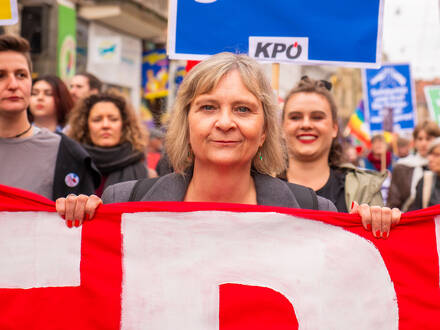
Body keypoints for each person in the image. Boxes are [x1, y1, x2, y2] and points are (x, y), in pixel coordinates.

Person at [57, 53, 399, 238]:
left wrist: (376, 231)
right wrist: (74, 223)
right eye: (208, 107)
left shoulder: (318, 213)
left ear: (264, 130)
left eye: (243, 109)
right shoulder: (123, 203)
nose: (224, 122)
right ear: (185, 123)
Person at [281, 76, 400, 237]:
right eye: (295, 117)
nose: (306, 124)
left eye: (317, 117)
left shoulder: (364, 189)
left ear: (334, 128)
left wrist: (381, 224)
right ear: (282, 127)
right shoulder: (256, 185)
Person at [0, 34, 100, 200]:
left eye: (21, 75)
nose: (13, 85)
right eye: (0, 75)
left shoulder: (66, 152)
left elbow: (83, 224)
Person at [67, 92, 155, 196]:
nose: (105, 125)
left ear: (124, 124)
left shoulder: (146, 174)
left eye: (113, 119)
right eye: (97, 120)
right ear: (85, 126)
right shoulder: (70, 165)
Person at [388, 120, 440, 211]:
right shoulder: (402, 166)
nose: (423, 143)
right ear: (414, 141)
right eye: (420, 139)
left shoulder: (436, 168)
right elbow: (393, 203)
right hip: (408, 218)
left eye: (428, 139)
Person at [408, 137, 440, 210]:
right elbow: (416, 211)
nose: (430, 159)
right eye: (430, 154)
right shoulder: (426, 181)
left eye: (437, 155)